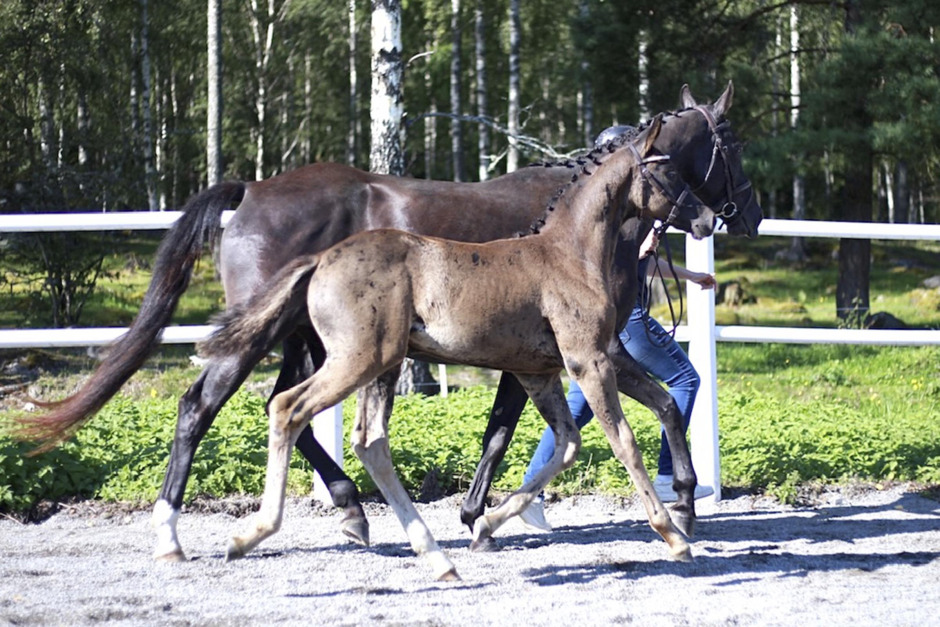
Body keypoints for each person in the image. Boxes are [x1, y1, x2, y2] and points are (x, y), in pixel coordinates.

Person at [518, 226, 717, 532]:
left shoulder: (624, 214)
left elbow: (640, 262)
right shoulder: (624, 220)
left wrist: (689, 275)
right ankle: (667, 474)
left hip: (605, 322)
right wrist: (641, 245)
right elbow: (614, 259)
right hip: (627, 320)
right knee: (685, 380)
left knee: (578, 404)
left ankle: (530, 493)